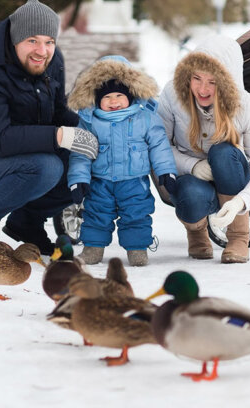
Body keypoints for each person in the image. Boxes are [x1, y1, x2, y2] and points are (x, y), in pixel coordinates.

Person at [0, 0, 98, 255]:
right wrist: (60, 135)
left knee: (91, 160)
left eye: (49, 41)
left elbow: (58, 110)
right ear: (15, 39)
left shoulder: (51, 60)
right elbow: (1, 139)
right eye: (32, 41)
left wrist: (92, 133)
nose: (42, 51)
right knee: (47, 167)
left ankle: (26, 222)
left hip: (25, 154)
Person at [157, 34, 250, 263]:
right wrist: (193, 166)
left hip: (231, 173)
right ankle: (196, 232)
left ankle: (238, 236)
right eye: (197, 78)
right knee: (190, 195)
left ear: (226, 82)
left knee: (223, 152)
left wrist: (240, 203)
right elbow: (160, 147)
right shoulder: (172, 95)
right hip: (191, 178)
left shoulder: (245, 106)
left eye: (212, 81)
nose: (202, 89)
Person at [66, 56, 177, 267]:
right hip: (100, 182)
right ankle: (93, 249)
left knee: (137, 214)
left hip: (134, 183)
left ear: (131, 95)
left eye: (119, 95)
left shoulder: (146, 118)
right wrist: (78, 180)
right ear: (97, 99)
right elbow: (81, 153)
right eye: (107, 97)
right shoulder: (89, 122)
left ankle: (137, 249)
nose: (114, 101)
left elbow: (159, 146)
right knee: (96, 214)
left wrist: (166, 172)